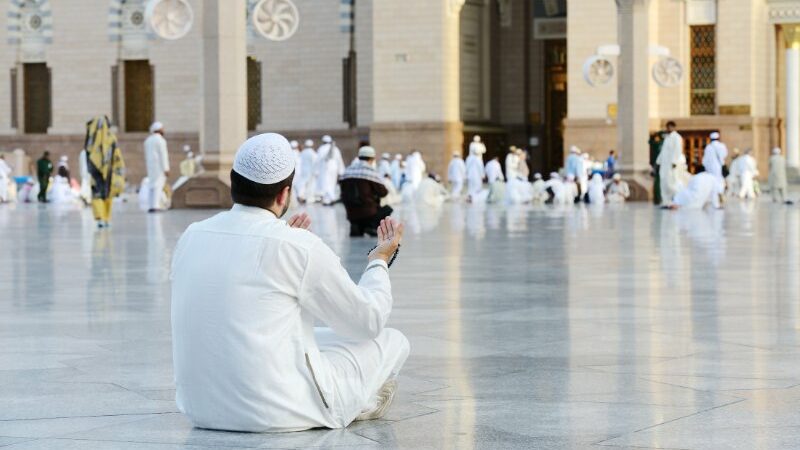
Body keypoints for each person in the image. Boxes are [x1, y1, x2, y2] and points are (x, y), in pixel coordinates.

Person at [170, 133, 409, 432]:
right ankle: (358, 402)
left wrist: (281, 235)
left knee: (316, 336)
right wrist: (379, 261)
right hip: (276, 412)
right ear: (284, 195)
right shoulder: (297, 246)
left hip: (200, 409)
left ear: (233, 183)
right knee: (390, 340)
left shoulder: (192, 235)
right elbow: (367, 321)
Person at [340, 146, 393, 237]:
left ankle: (356, 226)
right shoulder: (370, 172)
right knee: (387, 209)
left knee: (359, 214)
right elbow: (383, 192)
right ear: (372, 159)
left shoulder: (347, 171)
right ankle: (371, 226)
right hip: (368, 212)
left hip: (351, 213)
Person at [85, 116, 125, 227]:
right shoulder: (107, 138)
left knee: (104, 193)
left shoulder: (92, 139)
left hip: (104, 171)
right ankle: (104, 217)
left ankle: (103, 217)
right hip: (100, 171)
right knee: (102, 193)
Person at [655, 121, 684, 206]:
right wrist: (658, 162)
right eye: (667, 127)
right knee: (663, 183)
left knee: (671, 183)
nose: (668, 129)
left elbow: (678, 150)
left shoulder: (677, 137)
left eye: (670, 127)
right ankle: (665, 202)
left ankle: (675, 201)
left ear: (673, 127)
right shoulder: (667, 138)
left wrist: (674, 161)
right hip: (664, 165)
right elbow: (663, 151)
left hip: (671, 165)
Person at [144, 121, 170, 213]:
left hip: (151, 166)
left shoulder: (148, 140)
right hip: (159, 167)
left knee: (152, 186)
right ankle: (156, 205)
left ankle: (151, 205)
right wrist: (166, 168)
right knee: (158, 186)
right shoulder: (160, 140)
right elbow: (163, 155)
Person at [315, 135, 345, 205]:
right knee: (332, 183)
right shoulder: (336, 149)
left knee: (326, 183)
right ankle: (330, 198)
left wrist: (316, 171)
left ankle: (329, 199)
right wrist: (341, 171)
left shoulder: (321, 148)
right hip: (334, 168)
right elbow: (339, 160)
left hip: (325, 168)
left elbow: (317, 160)